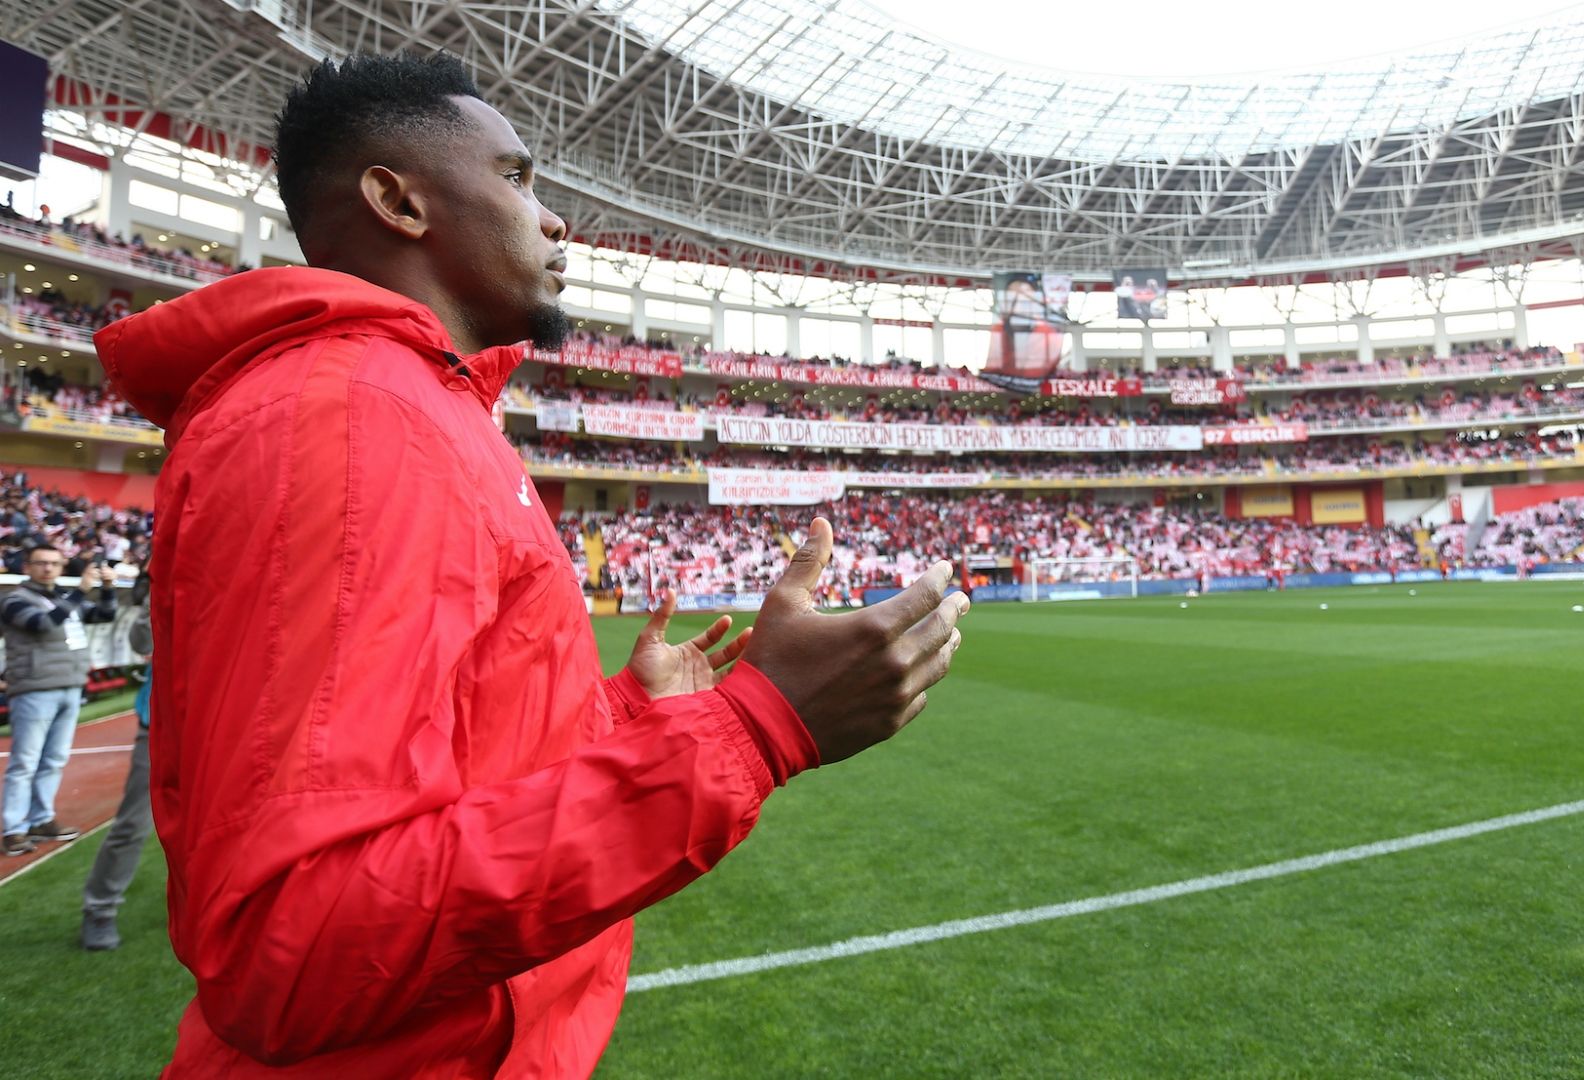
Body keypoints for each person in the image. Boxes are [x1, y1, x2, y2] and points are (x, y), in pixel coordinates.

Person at [93, 52, 967, 1077]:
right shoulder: (350, 418)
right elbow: (296, 942)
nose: (554, 220)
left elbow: (461, 771)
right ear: (398, 201)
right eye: (515, 178)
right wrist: (757, 728)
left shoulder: (426, 411)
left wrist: (628, 716)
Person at [1, 545, 118, 856]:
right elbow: (42, 624)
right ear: (27, 566)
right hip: (35, 688)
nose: (48, 568)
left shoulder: (63, 600)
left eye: (54, 563)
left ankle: (41, 819)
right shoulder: (14, 600)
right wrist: (80, 591)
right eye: (41, 563)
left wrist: (108, 588)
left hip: (70, 685)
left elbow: (105, 615)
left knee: (53, 759)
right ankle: (14, 830)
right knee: (25, 762)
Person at [79, 573, 153, 949]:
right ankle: (100, 908)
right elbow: (143, 642)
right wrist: (157, 593)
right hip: (162, 726)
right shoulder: (168, 592)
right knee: (134, 823)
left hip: (223, 728)